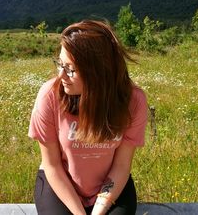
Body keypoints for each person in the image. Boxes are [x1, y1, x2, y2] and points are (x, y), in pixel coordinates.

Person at [28, 20, 147, 215]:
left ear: (98, 72)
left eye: (70, 69)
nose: (61, 75)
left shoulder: (133, 101)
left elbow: (121, 165)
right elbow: (52, 165)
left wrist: (99, 211)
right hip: (59, 184)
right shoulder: (49, 95)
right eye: (60, 64)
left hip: (111, 184)